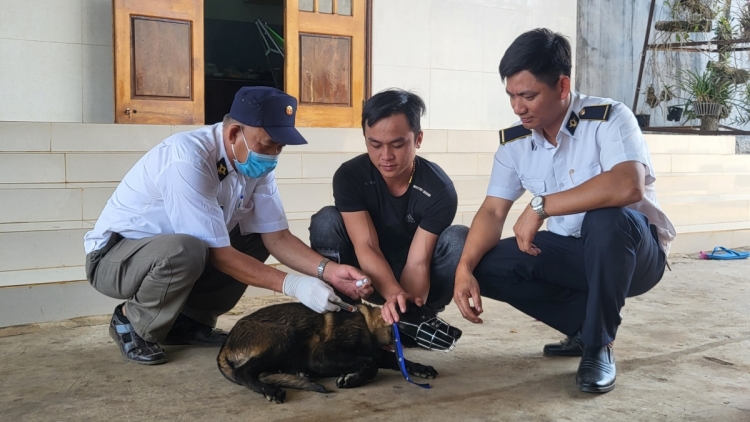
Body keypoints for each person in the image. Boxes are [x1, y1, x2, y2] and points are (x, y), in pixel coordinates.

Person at [452, 29, 675, 393]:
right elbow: (493, 211)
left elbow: (626, 185)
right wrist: (462, 269)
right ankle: (585, 328)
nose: (517, 107)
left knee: (606, 217)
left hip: (633, 255)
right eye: (511, 95)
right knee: (483, 264)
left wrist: (541, 206)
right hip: (572, 253)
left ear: (562, 86)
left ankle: (598, 344)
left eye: (528, 95)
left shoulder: (609, 118)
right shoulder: (516, 142)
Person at [84, 87, 372, 365]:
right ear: (235, 133)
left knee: (253, 235)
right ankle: (131, 322)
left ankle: (187, 321)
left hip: (172, 258)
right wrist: (294, 284)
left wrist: (329, 271)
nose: (273, 155)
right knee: (187, 248)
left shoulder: (253, 162)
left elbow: (277, 236)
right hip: (116, 259)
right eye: (268, 144)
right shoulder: (187, 157)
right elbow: (217, 252)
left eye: (280, 147)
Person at [309, 89, 468, 324]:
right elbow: (366, 245)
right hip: (366, 276)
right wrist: (392, 292)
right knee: (326, 220)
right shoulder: (350, 176)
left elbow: (418, 262)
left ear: (418, 139)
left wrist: (403, 307)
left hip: (417, 278)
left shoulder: (438, 189)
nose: (385, 156)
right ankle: (346, 316)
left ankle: (421, 315)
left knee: (459, 238)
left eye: (397, 144)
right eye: (374, 144)